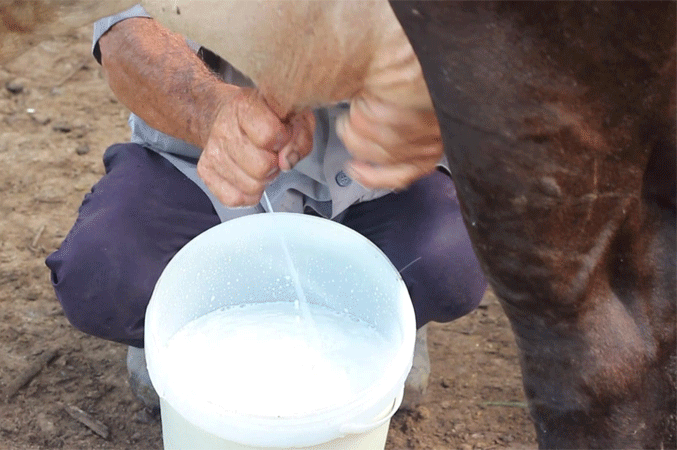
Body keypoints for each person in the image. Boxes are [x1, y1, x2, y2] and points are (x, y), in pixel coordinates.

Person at [45, 5, 487, 412]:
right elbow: (127, 33)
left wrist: (429, 99)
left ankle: (391, 313)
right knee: (103, 270)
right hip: (202, 169)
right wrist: (210, 112)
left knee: (447, 259)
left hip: (373, 182)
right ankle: (175, 320)